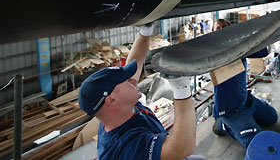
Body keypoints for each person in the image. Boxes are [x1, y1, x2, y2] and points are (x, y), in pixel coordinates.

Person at [78, 23, 202, 160]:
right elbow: (181, 149)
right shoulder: (125, 148)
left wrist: (145, 31)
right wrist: (181, 88)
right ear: (111, 99)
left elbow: (135, 61)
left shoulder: (119, 111)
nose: (134, 80)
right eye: (126, 80)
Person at [211, 19, 278, 148]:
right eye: (218, 28)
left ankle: (246, 119)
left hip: (246, 100)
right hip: (229, 109)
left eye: (225, 27)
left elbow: (263, 52)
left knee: (272, 117)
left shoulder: (239, 48)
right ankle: (223, 123)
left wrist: (261, 33)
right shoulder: (212, 53)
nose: (222, 30)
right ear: (212, 32)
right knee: (255, 142)